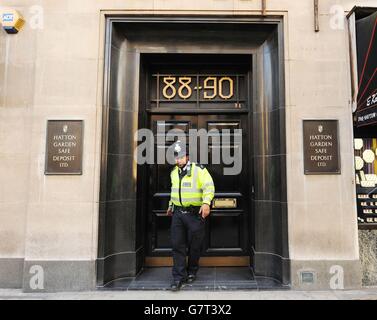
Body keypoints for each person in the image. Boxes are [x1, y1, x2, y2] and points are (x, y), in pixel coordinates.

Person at [166, 140, 215, 291]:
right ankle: (178, 278)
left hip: (195, 214)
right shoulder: (174, 173)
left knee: (195, 245)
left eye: (180, 157)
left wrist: (206, 203)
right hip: (178, 214)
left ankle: (192, 270)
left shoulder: (198, 170)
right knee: (177, 245)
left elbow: (209, 187)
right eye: (175, 157)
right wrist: (170, 205)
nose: (178, 160)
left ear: (187, 157)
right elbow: (175, 191)